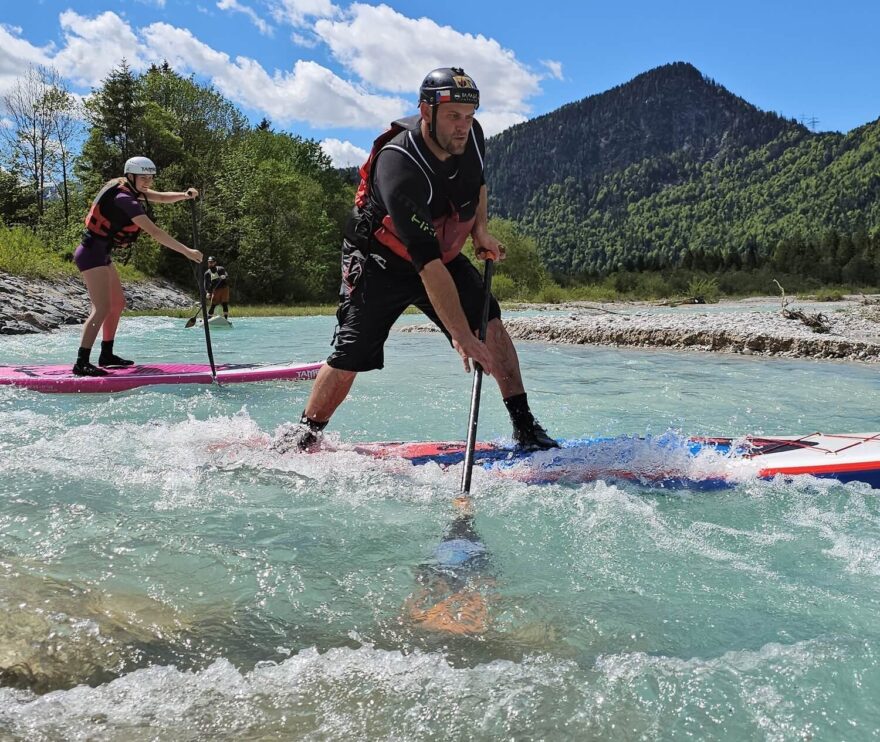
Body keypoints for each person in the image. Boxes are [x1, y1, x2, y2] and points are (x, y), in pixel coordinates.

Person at [277, 67, 557, 452]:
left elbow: (475, 185)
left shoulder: (471, 138)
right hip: (381, 259)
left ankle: (525, 428)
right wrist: (459, 335)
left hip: (439, 255)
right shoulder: (399, 164)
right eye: (453, 117)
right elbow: (426, 265)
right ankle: (304, 436)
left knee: (490, 325)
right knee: (352, 351)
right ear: (426, 111)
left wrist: (480, 232)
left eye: (469, 116)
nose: (463, 126)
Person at [71, 157, 202, 376]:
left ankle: (106, 354)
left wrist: (184, 195)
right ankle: (81, 362)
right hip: (91, 253)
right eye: (144, 178)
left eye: (150, 177)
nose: (148, 182)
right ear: (131, 176)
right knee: (101, 308)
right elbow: (155, 232)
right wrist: (187, 252)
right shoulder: (124, 198)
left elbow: (159, 196)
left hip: (101, 253)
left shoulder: (130, 188)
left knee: (118, 303)